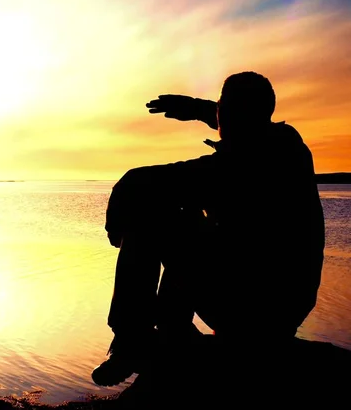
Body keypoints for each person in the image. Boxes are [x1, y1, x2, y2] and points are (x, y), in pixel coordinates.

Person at [91, 71, 325, 387]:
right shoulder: (286, 144)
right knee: (184, 216)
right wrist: (198, 109)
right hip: (279, 307)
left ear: (229, 112)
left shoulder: (241, 163)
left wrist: (116, 222)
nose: (219, 115)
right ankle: (172, 332)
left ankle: (133, 341)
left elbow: (141, 183)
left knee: (154, 214)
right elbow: (247, 120)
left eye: (221, 108)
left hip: (254, 309)